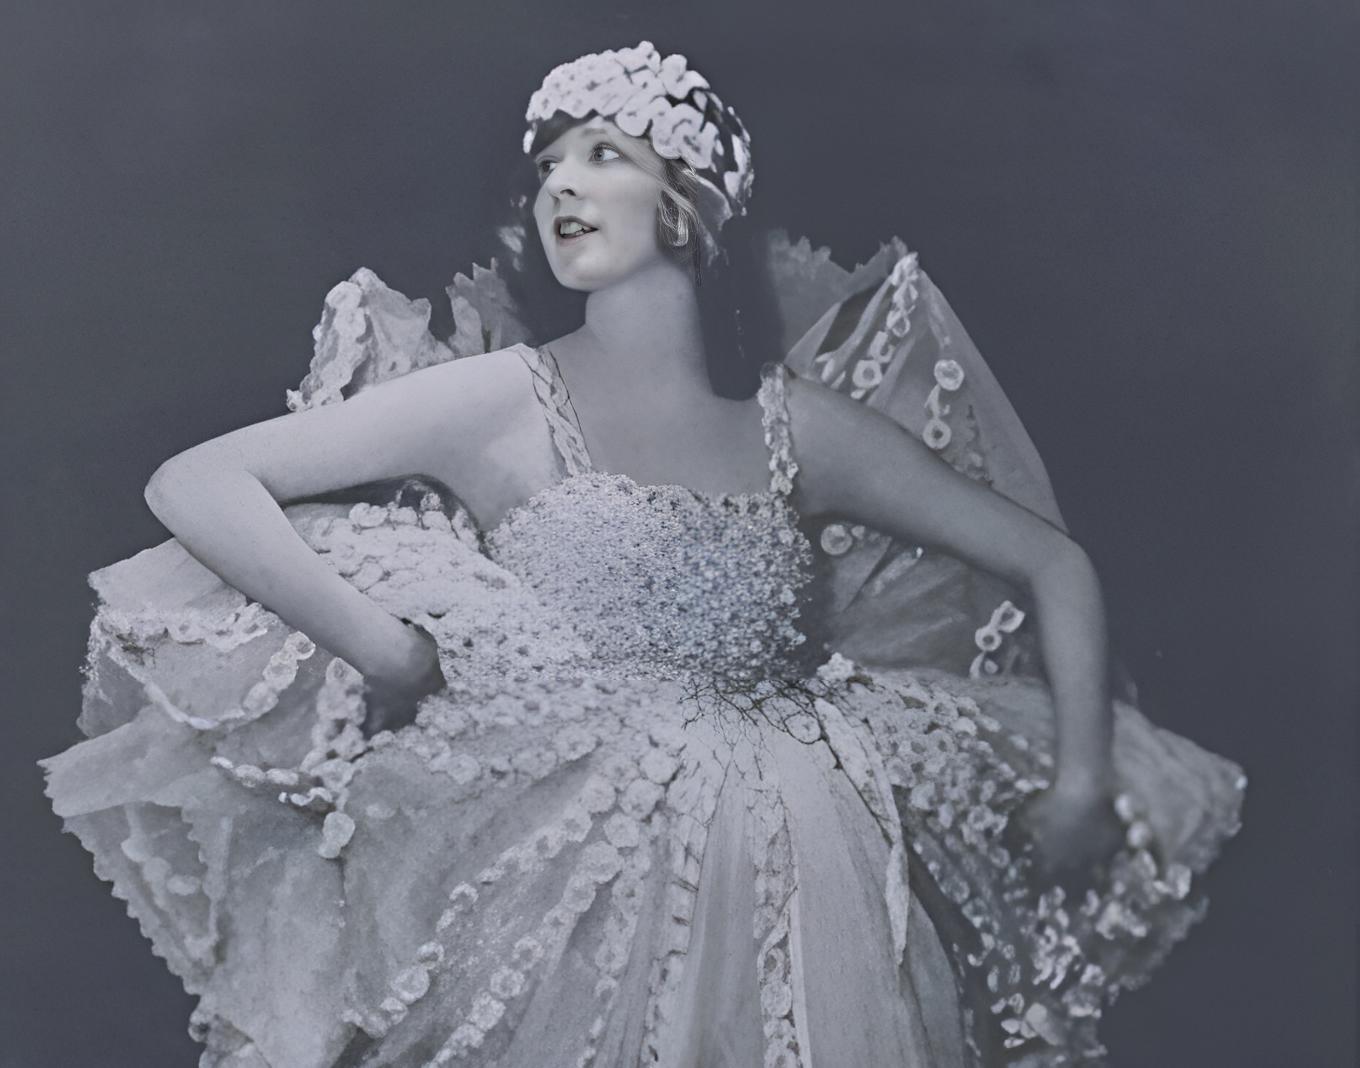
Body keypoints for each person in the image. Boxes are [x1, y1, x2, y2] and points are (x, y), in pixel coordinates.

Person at [41, 41, 1245, 1068]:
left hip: (806, 834)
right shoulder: (497, 398)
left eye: (600, 154)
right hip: (557, 845)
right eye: (548, 164)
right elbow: (197, 481)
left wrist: (1080, 780)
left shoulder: (801, 430)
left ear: (685, 202)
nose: (562, 183)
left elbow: (1053, 564)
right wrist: (384, 649)